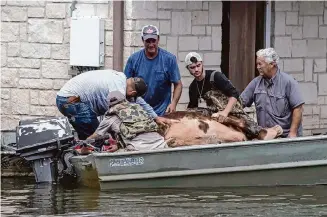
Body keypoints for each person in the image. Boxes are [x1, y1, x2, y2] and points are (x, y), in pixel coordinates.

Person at [56, 69, 171, 140]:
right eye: (132, 97)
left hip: (70, 98)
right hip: (69, 100)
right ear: (132, 92)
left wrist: (155, 117)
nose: (131, 100)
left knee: (95, 132)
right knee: (95, 136)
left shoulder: (122, 81)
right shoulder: (118, 92)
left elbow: (140, 102)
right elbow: (116, 118)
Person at [185, 52, 264, 139]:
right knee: (190, 112)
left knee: (254, 131)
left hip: (233, 111)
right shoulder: (193, 87)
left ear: (202, 64)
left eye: (198, 65)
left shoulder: (215, 76)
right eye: (192, 67)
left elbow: (234, 94)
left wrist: (225, 113)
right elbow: (192, 107)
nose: (196, 69)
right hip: (214, 112)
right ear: (188, 69)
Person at [241, 48, 305, 138]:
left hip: (285, 137)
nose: (258, 67)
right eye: (257, 64)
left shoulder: (288, 82)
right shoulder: (256, 83)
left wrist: (292, 133)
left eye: (260, 64)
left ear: (272, 64)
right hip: (266, 137)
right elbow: (240, 102)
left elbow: (298, 108)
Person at [124, 25, 183, 116]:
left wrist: (174, 103)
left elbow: (178, 84)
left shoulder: (169, 59)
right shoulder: (133, 59)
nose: (151, 44)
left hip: (163, 112)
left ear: (158, 39)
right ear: (143, 40)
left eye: (153, 40)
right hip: (139, 112)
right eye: (148, 41)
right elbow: (125, 84)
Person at [88, 91, 168, 152]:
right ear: (124, 99)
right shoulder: (137, 108)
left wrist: (85, 141)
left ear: (108, 104)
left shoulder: (110, 117)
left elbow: (96, 135)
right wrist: (118, 146)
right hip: (160, 143)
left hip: (137, 147)